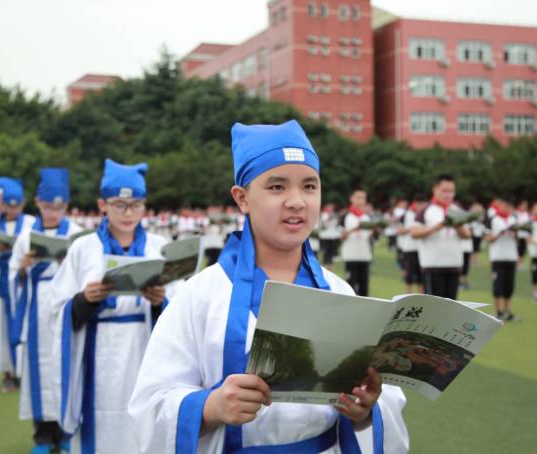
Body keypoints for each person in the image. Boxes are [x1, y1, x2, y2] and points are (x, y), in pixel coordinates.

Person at [128, 119, 409, 453]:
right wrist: (210, 407)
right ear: (242, 198)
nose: (296, 201)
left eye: (309, 186)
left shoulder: (340, 292)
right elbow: (149, 407)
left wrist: (363, 412)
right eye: (277, 187)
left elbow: (384, 402)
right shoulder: (200, 295)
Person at [50, 159, 179, 454]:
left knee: (145, 425)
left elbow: (181, 312)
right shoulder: (83, 248)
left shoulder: (158, 247)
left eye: (135, 204)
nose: (128, 212)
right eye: (119, 204)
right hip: (99, 355)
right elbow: (57, 309)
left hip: (146, 350)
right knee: (103, 425)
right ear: (102, 205)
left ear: (144, 206)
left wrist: (161, 303)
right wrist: (84, 299)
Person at [9, 168, 82, 454]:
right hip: (36, 308)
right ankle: (42, 434)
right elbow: (13, 276)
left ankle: (65, 431)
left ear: (66, 205)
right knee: (40, 372)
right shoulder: (26, 236)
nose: (53, 212)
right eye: (48, 206)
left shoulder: (77, 235)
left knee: (65, 367)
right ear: (37, 202)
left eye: (59, 207)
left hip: (65, 306)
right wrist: (24, 269)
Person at [0, 177, 35, 390]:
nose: (11, 209)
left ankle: (23, 371)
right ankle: (7, 372)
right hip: (1, 280)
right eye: (8, 205)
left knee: (22, 323)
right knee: (2, 326)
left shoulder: (29, 223)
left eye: (15, 205)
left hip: (22, 281)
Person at [410, 174, 470, 300]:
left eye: (451, 191)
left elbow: (467, 235)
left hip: (454, 265)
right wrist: (436, 227)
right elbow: (414, 233)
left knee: (451, 308)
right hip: (433, 266)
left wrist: (457, 226)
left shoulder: (457, 210)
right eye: (445, 191)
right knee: (434, 309)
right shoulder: (426, 210)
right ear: (435, 190)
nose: (448, 195)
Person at [486, 197, 519, 321]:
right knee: (498, 285)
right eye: (504, 205)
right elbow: (488, 239)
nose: (506, 208)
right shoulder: (493, 219)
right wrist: (499, 233)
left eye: (509, 206)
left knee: (509, 286)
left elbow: (518, 240)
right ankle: (496, 311)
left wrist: (515, 233)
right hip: (497, 257)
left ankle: (507, 311)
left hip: (511, 257)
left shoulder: (514, 219)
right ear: (500, 205)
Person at [341, 187, 374, 296]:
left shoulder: (367, 217)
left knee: (364, 290)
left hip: (365, 257)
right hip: (351, 257)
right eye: (358, 197)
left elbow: (370, 237)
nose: (361, 201)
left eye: (363, 198)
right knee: (350, 289)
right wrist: (355, 228)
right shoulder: (346, 216)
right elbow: (341, 237)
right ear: (352, 199)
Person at [397, 198, 424, 294]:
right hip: (409, 249)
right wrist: (411, 228)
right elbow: (399, 231)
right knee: (409, 275)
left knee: (422, 276)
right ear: (415, 203)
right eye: (420, 203)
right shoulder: (406, 215)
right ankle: (408, 295)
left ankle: (422, 298)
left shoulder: (425, 214)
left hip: (423, 250)